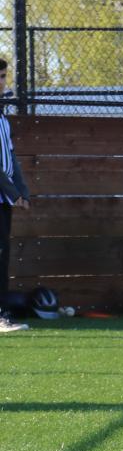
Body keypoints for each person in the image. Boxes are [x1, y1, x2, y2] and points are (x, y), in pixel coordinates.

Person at [0, 59, 31, 334]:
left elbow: (10, 159)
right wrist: (12, 193)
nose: (2, 83)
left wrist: (22, 190)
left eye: (3, 77)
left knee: (2, 254)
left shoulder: (3, 120)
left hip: (3, 201)